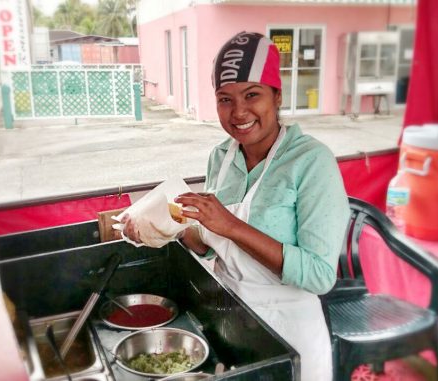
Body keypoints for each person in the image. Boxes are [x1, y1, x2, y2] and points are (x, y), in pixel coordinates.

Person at [124, 31, 350, 380]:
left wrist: (231, 225)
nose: (239, 111)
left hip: (290, 334)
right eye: (225, 99)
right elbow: (216, 248)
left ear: (276, 96)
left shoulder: (312, 162)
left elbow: (320, 276)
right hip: (231, 320)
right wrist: (169, 227)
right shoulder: (221, 157)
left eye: (252, 95)